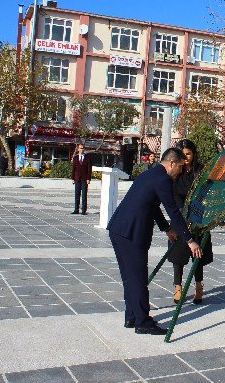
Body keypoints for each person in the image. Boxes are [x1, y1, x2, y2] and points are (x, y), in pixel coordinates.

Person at [107, 148, 203, 335]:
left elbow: (153, 207)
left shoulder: (150, 174)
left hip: (119, 229)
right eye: (181, 167)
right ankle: (143, 322)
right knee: (138, 277)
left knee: (129, 276)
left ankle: (132, 316)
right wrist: (190, 240)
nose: (181, 171)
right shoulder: (163, 179)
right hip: (131, 233)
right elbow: (173, 211)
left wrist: (166, 229)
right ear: (172, 163)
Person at [169, 139, 213, 305]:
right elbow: (172, 194)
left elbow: (208, 192)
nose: (185, 157)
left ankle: (199, 286)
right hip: (180, 217)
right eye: (182, 154)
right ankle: (178, 286)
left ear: (193, 154)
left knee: (198, 255)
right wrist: (182, 210)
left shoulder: (201, 171)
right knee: (178, 254)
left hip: (199, 218)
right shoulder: (176, 172)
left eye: (188, 153)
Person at [71, 143, 92, 215]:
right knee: (77, 195)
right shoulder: (75, 158)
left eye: (82, 148)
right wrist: (73, 178)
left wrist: (88, 178)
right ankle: (76, 209)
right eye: (80, 148)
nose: (81, 149)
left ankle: (83, 210)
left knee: (84, 195)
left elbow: (89, 169)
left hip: (84, 179)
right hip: (77, 178)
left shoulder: (88, 157)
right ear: (78, 149)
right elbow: (74, 169)